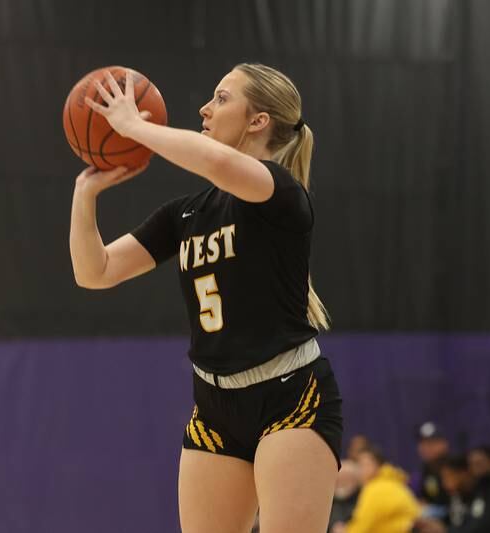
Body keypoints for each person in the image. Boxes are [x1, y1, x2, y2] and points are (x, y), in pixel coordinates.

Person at [72, 63, 343, 532]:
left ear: (258, 121)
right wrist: (84, 194)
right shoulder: (187, 214)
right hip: (215, 406)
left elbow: (216, 163)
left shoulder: (279, 193)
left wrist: (135, 126)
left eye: (221, 98)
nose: (204, 108)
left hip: (291, 396)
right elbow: (94, 272)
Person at [415, 452, 490, 533]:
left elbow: (486, 528)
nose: (475, 469)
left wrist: (445, 531)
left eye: (480, 463)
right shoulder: (478, 492)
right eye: (473, 465)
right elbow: (468, 523)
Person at [331, 446, 420, 533]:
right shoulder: (389, 482)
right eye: (359, 465)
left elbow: (364, 524)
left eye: (366, 465)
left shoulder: (376, 489)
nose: (361, 470)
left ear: (378, 466)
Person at [416, 422, 451, 520]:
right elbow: (425, 499)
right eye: (422, 443)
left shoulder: (453, 467)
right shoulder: (426, 469)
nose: (426, 448)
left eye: (431, 443)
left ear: (444, 444)